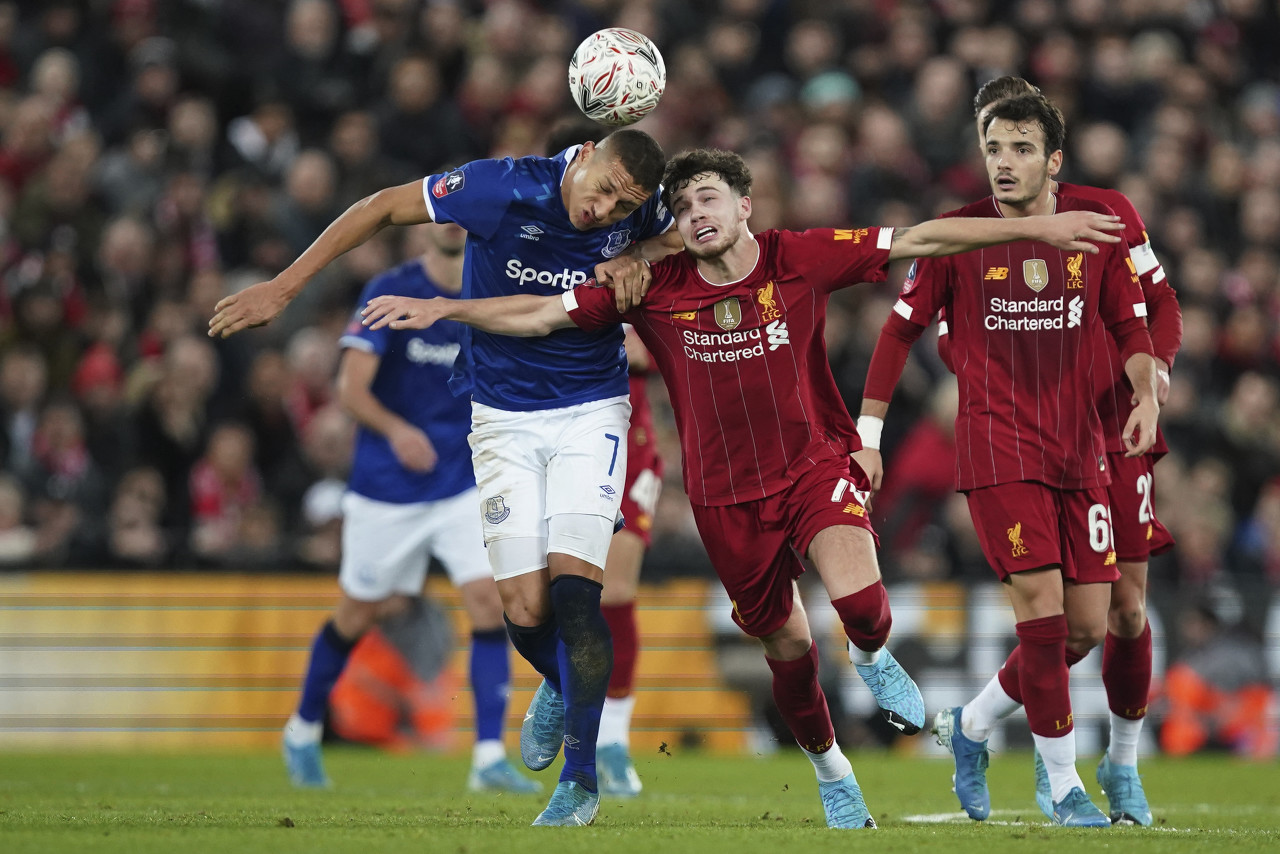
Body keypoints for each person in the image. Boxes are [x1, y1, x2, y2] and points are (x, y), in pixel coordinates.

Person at [360, 146, 1127, 828]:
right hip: (726, 499)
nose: (697, 214)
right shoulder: (653, 286)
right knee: (787, 649)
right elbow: (539, 315)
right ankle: (833, 772)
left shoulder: (800, 257)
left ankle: (869, 653)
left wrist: (1038, 229)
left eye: (710, 200)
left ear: (744, 207)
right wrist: (446, 308)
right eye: (685, 204)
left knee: (862, 605)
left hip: (812, 468)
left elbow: (923, 238)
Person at [212, 128, 682, 827]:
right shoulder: (500, 188)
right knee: (521, 610)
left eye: (623, 208)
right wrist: (285, 288)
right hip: (495, 422)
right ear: (582, 155)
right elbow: (378, 207)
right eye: (604, 191)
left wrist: (638, 258)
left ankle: (577, 783)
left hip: (591, 409)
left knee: (579, 595)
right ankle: (559, 684)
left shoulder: (639, 215)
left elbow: (681, 241)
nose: (606, 211)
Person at [855, 95, 1162, 827]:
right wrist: (869, 432)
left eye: (1022, 147)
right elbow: (899, 333)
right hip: (997, 449)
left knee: (1088, 626)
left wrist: (1146, 393)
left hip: (1082, 447)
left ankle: (971, 724)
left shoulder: (1094, 233)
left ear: (1054, 161)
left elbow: (1129, 322)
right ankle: (1064, 787)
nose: (1004, 160)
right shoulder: (959, 235)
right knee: (1045, 623)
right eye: (994, 146)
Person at [281, 222, 539, 795]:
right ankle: (302, 730)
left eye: (461, 216)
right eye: (439, 215)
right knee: (358, 612)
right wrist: (397, 431)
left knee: (486, 600)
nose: (451, 224)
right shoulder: (389, 291)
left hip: (460, 482)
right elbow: (350, 389)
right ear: (421, 230)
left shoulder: (487, 290)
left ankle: (489, 757)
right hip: (387, 489)